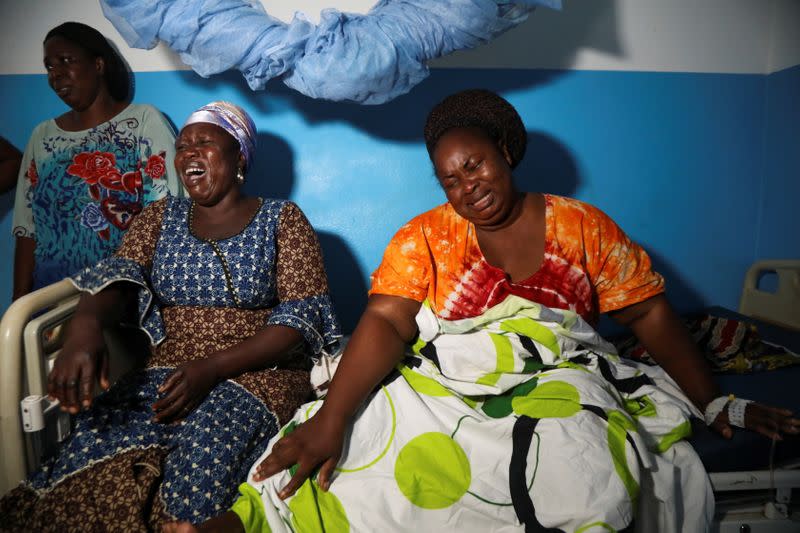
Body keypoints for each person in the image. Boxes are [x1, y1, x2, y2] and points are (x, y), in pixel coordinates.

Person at [166, 90, 800, 533]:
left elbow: (652, 319)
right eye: (449, 179)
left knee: (571, 443)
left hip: (558, 372)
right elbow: (386, 323)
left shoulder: (581, 227)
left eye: (474, 165)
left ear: (504, 149)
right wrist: (333, 418)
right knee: (366, 425)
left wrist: (714, 402)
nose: (467, 187)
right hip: (452, 375)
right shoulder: (426, 236)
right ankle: (244, 521)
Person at [0, 101, 341, 531]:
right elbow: (119, 276)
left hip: (260, 371)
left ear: (239, 156)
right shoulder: (160, 217)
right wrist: (85, 326)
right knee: (95, 450)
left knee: (202, 461)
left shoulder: (281, 219)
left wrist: (213, 367)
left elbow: (301, 320)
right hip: (167, 365)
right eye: (182, 147)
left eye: (205, 143)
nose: (189, 154)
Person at [12, 21, 183, 301]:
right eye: (49, 66)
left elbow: (167, 216)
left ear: (99, 65)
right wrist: (19, 304)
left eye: (66, 61)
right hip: (50, 295)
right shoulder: (42, 136)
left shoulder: (142, 122)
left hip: (120, 295)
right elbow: (26, 230)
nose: (55, 75)